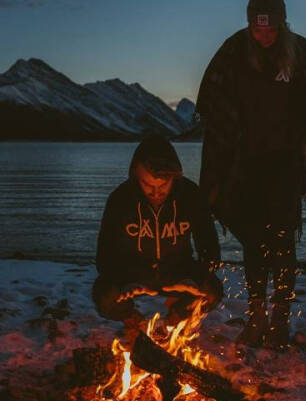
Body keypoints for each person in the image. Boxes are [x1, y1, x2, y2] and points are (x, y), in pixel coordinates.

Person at [196, 0, 306, 351]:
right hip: (245, 159)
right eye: (257, 27)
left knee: (282, 239)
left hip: (284, 160)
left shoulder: (300, 52)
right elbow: (211, 98)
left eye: (269, 28)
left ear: (281, 24)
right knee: (255, 238)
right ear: (250, 22)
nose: (263, 35)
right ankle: (256, 315)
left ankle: (281, 317)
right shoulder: (234, 50)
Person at [93, 135, 223, 344]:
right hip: (134, 272)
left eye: (163, 186)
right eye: (147, 185)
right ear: (136, 176)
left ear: (175, 177)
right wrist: (126, 281)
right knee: (103, 295)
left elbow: (210, 250)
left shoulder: (190, 196)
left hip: (179, 272)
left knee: (212, 291)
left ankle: (175, 318)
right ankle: (134, 321)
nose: (155, 193)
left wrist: (194, 279)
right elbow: (104, 256)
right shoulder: (120, 199)